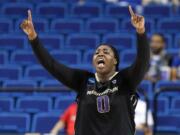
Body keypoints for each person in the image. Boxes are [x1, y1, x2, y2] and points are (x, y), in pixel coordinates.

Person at [20, 6, 150, 135]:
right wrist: (33, 38)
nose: (100, 54)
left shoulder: (126, 79)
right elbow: (52, 65)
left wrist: (141, 31)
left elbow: (142, 61)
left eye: (106, 52)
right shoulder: (83, 80)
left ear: (115, 61)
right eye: (97, 52)